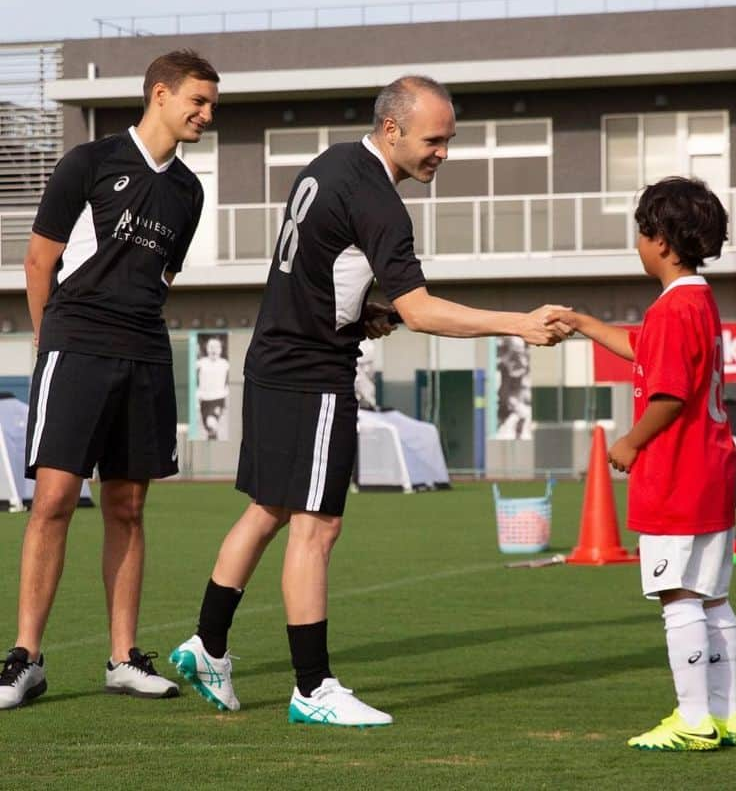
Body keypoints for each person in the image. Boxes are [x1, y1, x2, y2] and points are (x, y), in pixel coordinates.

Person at [170, 75, 569, 727]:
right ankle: (311, 688)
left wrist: (364, 313)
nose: (443, 152)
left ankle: (207, 644)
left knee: (266, 509)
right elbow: (426, 310)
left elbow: (320, 270)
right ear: (393, 130)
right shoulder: (380, 200)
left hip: (272, 360)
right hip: (313, 374)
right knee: (316, 525)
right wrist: (519, 324)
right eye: (434, 140)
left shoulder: (328, 164)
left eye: (450, 140)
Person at [0, 50, 219, 710]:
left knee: (127, 507)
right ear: (160, 94)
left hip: (146, 354)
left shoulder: (190, 191)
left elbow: (163, 280)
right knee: (54, 502)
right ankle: (25, 660)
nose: (207, 115)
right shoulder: (88, 164)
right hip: (76, 346)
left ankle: (123, 658)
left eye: (211, 105)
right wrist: (51, 339)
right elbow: (39, 261)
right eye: (198, 102)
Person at [549, 177, 736, 751]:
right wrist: (584, 323)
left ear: (659, 238)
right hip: (711, 474)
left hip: (676, 477)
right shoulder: (699, 301)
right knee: (713, 598)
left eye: (640, 231)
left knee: (677, 597)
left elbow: (669, 394)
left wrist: (631, 442)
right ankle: (725, 712)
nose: (637, 242)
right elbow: (646, 351)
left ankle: (692, 719)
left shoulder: (672, 308)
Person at [195, 334, 230, 440]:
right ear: (206, 349)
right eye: (211, 347)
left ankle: (213, 437)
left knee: (212, 422)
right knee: (208, 428)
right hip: (204, 400)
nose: (214, 350)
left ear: (220, 349)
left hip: (218, 399)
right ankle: (212, 440)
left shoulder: (225, 364)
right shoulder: (200, 363)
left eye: (216, 347)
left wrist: (227, 392)